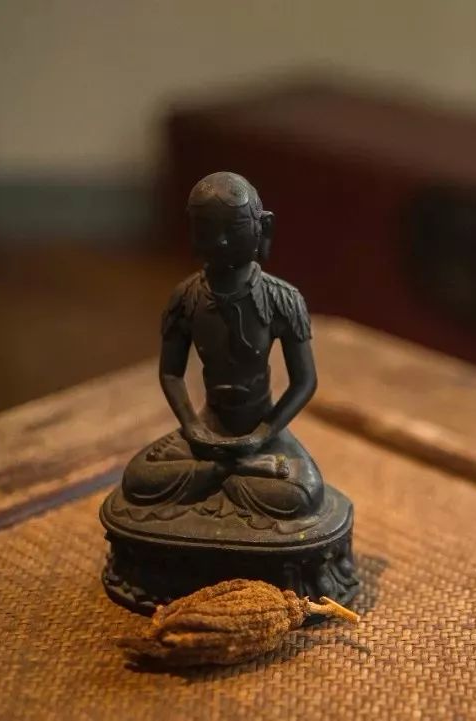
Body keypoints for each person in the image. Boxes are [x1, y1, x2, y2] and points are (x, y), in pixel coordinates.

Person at [119, 172, 323, 528]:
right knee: (137, 479)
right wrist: (192, 426)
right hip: (207, 429)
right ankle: (235, 470)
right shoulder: (186, 297)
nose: (221, 240)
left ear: (263, 227)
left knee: (302, 495)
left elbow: (305, 381)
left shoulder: (282, 299)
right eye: (207, 229)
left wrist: (262, 434)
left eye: (234, 228)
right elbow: (171, 372)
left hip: (262, 430)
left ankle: (218, 473)